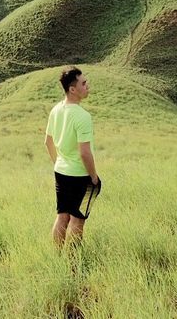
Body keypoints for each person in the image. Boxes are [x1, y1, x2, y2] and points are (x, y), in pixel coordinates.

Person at [45, 66, 100, 248]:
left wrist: (59, 162)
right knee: (78, 220)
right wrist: (93, 177)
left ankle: (57, 259)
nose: (87, 86)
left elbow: (48, 142)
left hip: (61, 172)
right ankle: (74, 265)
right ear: (72, 89)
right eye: (83, 83)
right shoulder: (82, 116)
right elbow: (85, 152)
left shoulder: (56, 110)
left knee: (62, 216)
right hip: (80, 176)